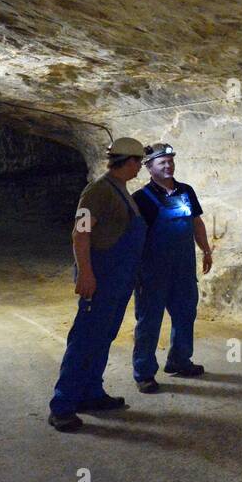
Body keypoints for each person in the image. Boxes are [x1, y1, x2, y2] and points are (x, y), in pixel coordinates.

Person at [48, 137, 148, 432]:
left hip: (119, 278)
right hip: (102, 276)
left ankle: (91, 393)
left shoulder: (122, 191)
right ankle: (62, 406)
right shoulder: (97, 192)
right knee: (84, 340)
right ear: (129, 162)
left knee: (103, 337)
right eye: (138, 162)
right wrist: (86, 273)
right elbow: (80, 234)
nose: (140, 168)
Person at [131, 142, 212, 393]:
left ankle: (179, 360)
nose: (168, 165)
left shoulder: (186, 191)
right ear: (149, 167)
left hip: (183, 268)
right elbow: (133, 237)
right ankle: (144, 372)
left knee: (185, 315)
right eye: (162, 162)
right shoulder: (141, 199)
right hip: (153, 271)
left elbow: (196, 222)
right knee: (149, 322)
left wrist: (206, 250)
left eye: (170, 161)